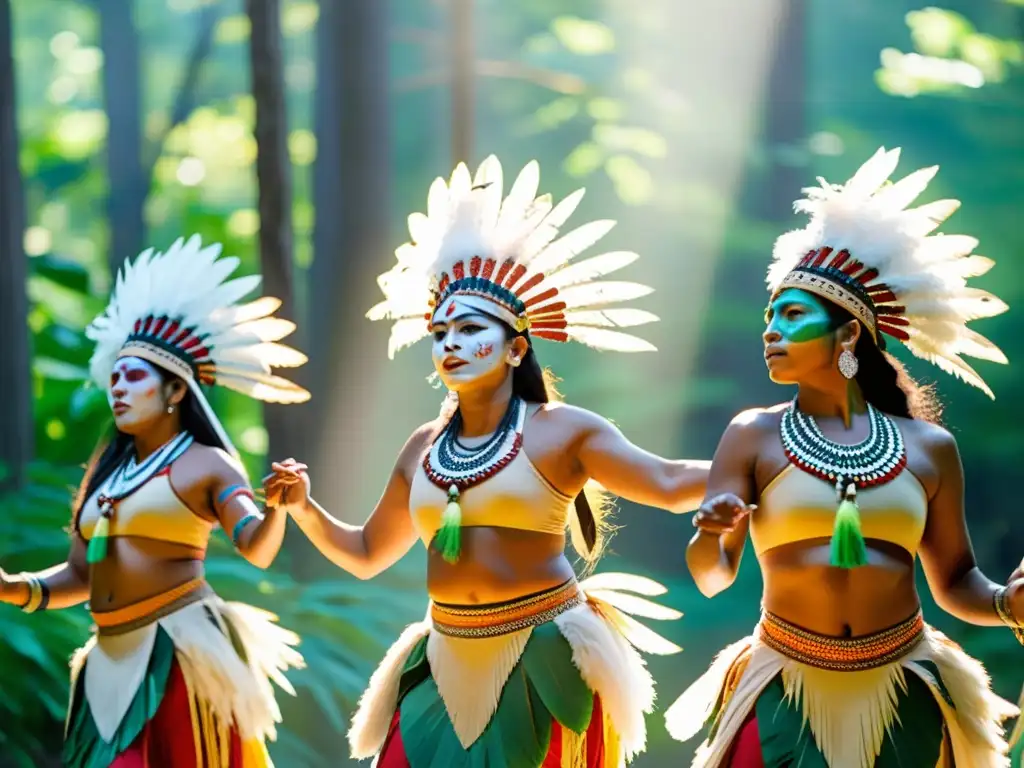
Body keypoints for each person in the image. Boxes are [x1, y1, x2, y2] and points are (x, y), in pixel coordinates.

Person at [266, 156, 709, 767]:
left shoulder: (562, 431)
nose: (450, 343)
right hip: (444, 655)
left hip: (540, 655)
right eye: (440, 332)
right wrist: (305, 510)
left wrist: (766, 461)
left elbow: (666, 480)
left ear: (515, 347)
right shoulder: (423, 445)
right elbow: (368, 553)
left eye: (469, 328)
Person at [664, 147, 1023, 768]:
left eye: (793, 314)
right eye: (768, 316)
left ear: (849, 332)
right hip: (783, 679)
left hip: (903, 681)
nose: (770, 329)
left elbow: (955, 582)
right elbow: (712, 575)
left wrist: (1004, 605)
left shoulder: (929, 449)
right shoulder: (753, 434)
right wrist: (712, 535)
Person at [0, 235, 309, 767]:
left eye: (135, 375)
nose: (118, 387)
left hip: (180, 654)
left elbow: (256, 548)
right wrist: (12, 589)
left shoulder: (207, 464)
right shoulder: (107, 474)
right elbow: (80, 575)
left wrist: (280, 507)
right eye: (114, 376)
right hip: (106, 660)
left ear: (175, 391)